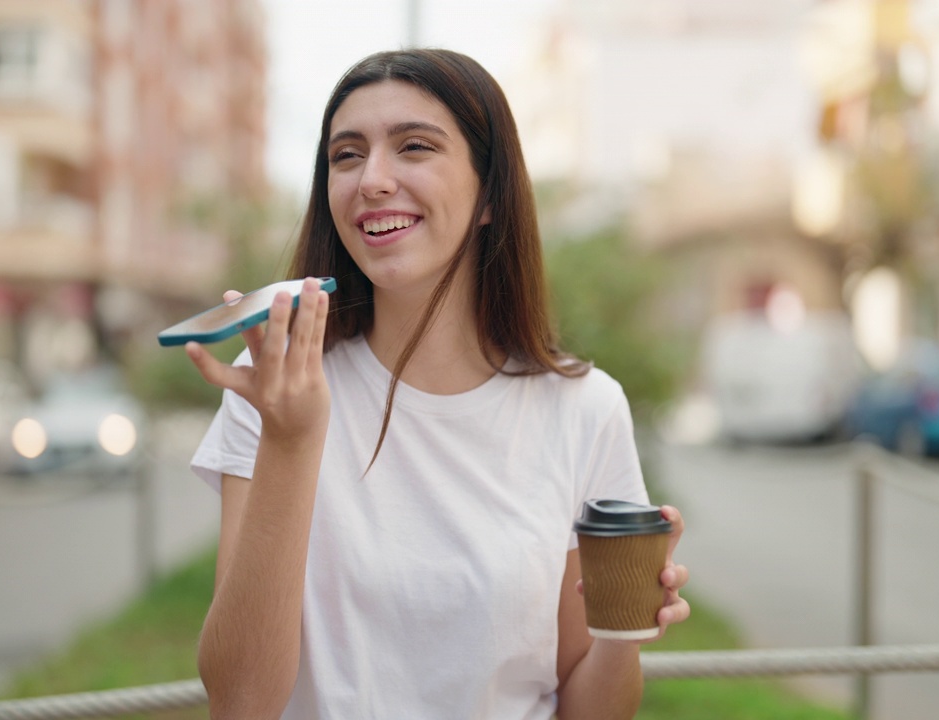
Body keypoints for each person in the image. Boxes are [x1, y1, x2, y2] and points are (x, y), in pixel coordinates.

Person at [185, 48, 690, 719]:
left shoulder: (585, 410)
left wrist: (623, 630)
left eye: (414, 147)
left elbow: (588, 708)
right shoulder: (275, 390)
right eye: (346, 155)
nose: (372, 179)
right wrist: (292, 440)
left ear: (489, 195)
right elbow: (241, 702)